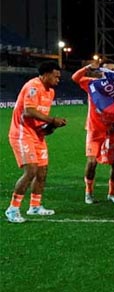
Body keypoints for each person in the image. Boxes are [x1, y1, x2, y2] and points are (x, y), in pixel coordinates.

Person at [5, 62, 67, 223]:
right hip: (22, 133)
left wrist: (50, 127)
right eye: (55, 76)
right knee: (31, 170)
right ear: (45, 75)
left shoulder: (50, 92)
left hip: (37, 135)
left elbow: (39, 120)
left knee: (42, 171)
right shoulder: (33, 86)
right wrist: (52, 120)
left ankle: (35, 206)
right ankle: (12, 209)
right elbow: (28, 111)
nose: (58, 80)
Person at [72, 58, 114, 204]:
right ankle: (88, 193)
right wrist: (87, 68)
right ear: (101, 71)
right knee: (91, 162)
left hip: (113, 130)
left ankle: (112, 194)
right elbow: (75, 78)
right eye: (107, 70)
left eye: (113, 70)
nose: (110, 73)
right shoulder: (92, 83)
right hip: (95, 130)